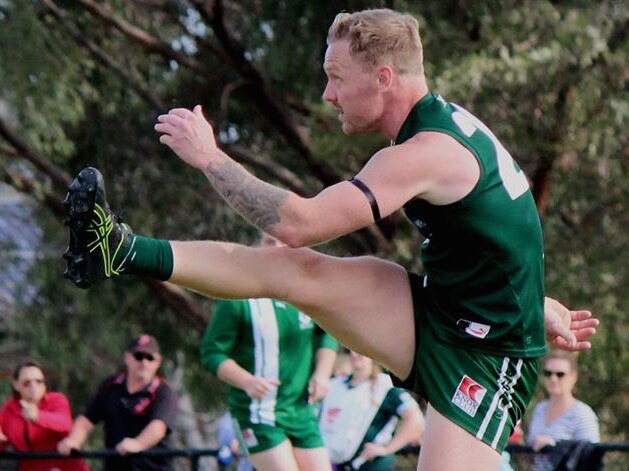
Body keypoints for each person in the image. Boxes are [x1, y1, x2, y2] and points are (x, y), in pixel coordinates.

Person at [61, 8, 599, 471]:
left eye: (337, 77)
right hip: (444, 314)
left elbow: (298, 222)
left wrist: (210, 157)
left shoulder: (427, 151)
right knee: (296, 270)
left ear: (383, 76)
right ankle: (117, 249)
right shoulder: (432, 132)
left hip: (489, 357)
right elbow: (505, 232)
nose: (328, 93)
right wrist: (536, 303)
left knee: (293, 245)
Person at [201, 232, 337, 471]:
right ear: (257, 246)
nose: (278, 247)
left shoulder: (306, 292)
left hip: (300, 411)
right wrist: (247, 381)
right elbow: (211, 352)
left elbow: (328, 333)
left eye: (285, 241)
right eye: (269, 241)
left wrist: (322, 374)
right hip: (257, 413)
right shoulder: (238, 295)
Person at [57, 335, 178, 471]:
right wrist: (74, 440)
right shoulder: (110, 386)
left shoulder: (163, 391)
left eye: (150, 358)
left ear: (158, 361)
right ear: (127, 358)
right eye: (138, 356)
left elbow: (158, 428)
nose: (144, 362)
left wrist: (138, 444)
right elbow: (86, 420)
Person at [319, 350, 424, 471]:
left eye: (360, 349)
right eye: (352, 348)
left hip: (371, 466)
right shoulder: (335, 385)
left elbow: (416, 420)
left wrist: (387, 449)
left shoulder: (386, 387)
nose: (355, 353)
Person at [0, 360, 90, 471]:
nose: (34, 387)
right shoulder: (9, 409)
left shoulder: (57, 399)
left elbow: (65, 423)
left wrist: (38, 416)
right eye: (27, 383)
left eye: (39, 381)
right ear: (16, 385)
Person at [526, 350, 600, 471]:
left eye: (560, 374)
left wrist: (555, 448)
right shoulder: (539, 409)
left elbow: (590, 458)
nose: (553, 379)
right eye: (548, 373)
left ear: (573, 376)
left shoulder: (583, 414)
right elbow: (531, 456)